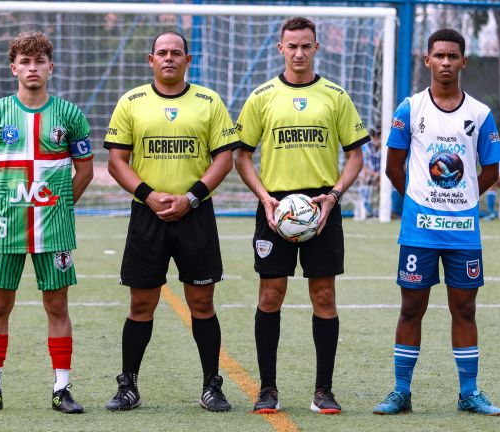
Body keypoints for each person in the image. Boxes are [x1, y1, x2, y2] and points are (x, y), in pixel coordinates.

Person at [234, 17, 369, 415]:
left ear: (316, 48)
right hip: (276, 209)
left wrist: (334, 196)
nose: (298, 52)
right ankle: (268, 389)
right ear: (280, 49)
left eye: (305, 46)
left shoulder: (335, 95)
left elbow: (356, 154)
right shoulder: (262, 96)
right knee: (270, 295)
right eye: (291, 46)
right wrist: (264, 199)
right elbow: (242, 155)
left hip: (322, 207)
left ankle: (323, 391)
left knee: (324, 296)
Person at [103, 31, 239, 412]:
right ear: (150, 60)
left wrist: (191, 196)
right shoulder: (131, 102)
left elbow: (224, 159)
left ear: (187, 60)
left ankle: (212, 384)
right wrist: (148, 194)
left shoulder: (209, 102)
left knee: (202, 302)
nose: (168, 58)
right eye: (161, 53)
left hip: (195, 215)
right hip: (148, 216)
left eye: (175, 53)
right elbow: (116, 161)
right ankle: (128, 384)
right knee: (141, 304)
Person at [372, 28, 500, 416]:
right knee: (411, 309)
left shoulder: (479, 114)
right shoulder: (409, 109)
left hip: (464, 232)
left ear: (463, 62)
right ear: (428, 60)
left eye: (453, 56)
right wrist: (418, 199)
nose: (445, 62)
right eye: (439, 55)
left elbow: (492, 170)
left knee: (464, 310)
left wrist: (461, 198)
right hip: (419, 230)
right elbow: (394, 167)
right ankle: (401, 392)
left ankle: (468, 393)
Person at [0, 31, 94, 414]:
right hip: (7, 228)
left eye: (39, 61)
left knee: (57, 306)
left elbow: (86, 171)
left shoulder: (69, 115)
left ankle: (62, 388)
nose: (33, 67)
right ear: (14, 69)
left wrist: (60, 207)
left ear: (50, 67)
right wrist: (3, 205)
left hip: (53, 228)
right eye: (25, 61)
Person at [356, 128, 381, 219]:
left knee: (381, 186)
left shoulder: (383, 148)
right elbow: (364, 166)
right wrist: (372, 174)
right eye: (375, 136)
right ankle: (363, 212)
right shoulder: (366, 147)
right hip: (367, 173)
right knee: (365, 183)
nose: (377, 139)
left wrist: (378, 175)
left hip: (377, 174)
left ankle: (376, 211)